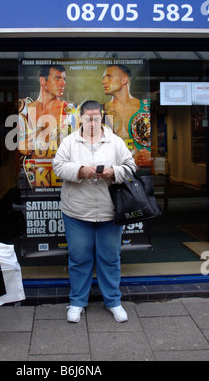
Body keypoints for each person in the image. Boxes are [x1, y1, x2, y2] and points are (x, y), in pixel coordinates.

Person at [52, 100, 136, 323]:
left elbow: (131, 166)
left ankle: (114, 302)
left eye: (96, 118)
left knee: (110, 258)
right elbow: (57, 166)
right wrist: (80, 170)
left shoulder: (114, 142)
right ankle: (77, 302)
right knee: (79, 259)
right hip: (77, 212)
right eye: (88, 118)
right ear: (80, 118)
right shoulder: (70, 142)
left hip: (110, 212)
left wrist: (113, 172)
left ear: (102, 117)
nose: (92, 122)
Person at [102, 64, 151, 168]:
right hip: (112, 174)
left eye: (109, 76)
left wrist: (151, 157)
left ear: (124, 80)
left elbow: (156, 144)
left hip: (139, 175)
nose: (104, 82)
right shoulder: (102, 110)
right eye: (103, 78)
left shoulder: (146, 107)